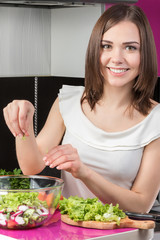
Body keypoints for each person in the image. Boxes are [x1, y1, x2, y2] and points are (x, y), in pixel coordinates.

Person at [3, 4, 160, 213]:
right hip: (70, 232)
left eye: (130, 47)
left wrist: (83, 172)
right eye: (106, 46)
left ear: (145, 54)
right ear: (95, 50)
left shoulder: (155, 120)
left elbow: (141, 205)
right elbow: (32, 167)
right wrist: (23, 125)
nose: (117, 58)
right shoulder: (69, 101)